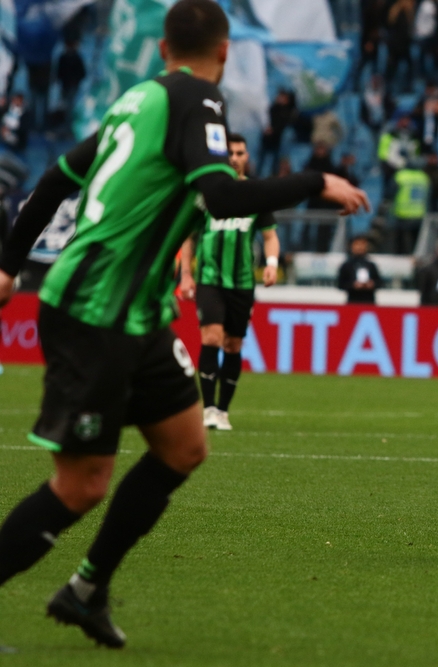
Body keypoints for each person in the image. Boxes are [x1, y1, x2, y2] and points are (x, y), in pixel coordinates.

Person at [0, 0, 369, 649]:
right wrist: (315, 181)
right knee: (82, 484)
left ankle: (85, 590)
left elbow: (56, 178)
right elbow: (221, 194)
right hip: (95, 307)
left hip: (134, 312)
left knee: (184, 446)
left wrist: (8, 263)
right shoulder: (198, 100)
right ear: (224, 55)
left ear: (164, 49)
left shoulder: (136, 100)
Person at [177, 133, 279, 431]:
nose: (235, 157)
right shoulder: (206, 194)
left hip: (243, 282)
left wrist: (271, 264)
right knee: (211, 337)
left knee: (233, 344)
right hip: (209, 279)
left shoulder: (256, 195)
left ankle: (223, 410)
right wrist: (185, 274)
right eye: (230, 153)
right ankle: (208, 408)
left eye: (240, 152)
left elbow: (270, 236)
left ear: (247, 157)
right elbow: (189, 236)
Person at [338, 235, 382, 303]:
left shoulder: (371, 265)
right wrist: (353, 285)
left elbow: (379, 282)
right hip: (353, 301)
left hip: (369, 301)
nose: (360, 247)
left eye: (362, 244)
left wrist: (372, 284)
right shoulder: (347, 265)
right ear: (351, 246)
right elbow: (340, 284)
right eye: (357, 244)